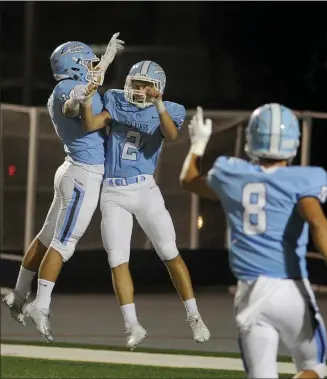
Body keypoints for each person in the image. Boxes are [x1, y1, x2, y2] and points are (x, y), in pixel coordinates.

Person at [179, 105, 327, 378]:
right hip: (290, 291)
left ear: (252, 139)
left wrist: (199, 144)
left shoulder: (232, 175)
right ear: (293, 142)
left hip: (250, 293)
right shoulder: (303, 180)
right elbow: (318, 223)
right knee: (313, 367)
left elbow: (189, 181)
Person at [72, 60, 210, 350]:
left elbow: (172, 135)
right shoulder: (114, 100)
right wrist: (86, 100)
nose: (140, 90)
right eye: (136, 83)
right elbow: (90, 124)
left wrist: (158, 105)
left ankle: (194, 316)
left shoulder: (171, 109)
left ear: (158, 89)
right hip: (112, 191)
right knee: (117, 260)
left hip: (145, 189)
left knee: (170, 253)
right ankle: (132, 325)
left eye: (147, 85)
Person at [2, 34, 124, 343]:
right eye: (89, 61)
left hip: (72, 169)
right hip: (84, 175)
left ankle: (17, 295)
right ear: (75, 66)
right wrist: (80, 96)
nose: (94, 65)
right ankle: (39, 305)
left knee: (45, 237)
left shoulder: (67, 85)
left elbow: (90, 84)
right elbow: (73, 106)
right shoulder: (68, 90)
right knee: (63, 243)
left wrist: (107, 61)